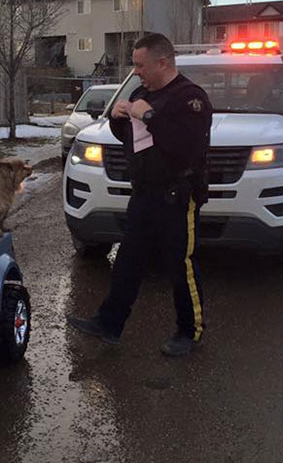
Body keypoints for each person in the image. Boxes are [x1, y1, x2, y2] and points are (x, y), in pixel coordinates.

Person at [69, 33, 213, 357]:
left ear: (162, 62)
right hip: (144, 194)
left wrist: (148, 115)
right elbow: (133, 141)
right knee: (128, 261)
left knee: (180, 266)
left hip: (177, 196)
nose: (136, 72)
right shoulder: (141, 93)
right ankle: (109, 323)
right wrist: (118, 119)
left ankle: (190, 332)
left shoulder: (191, 98)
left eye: (140, 65)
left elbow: (185, 147)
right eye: (134, 65)